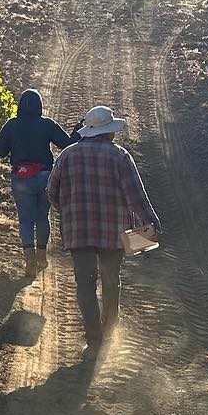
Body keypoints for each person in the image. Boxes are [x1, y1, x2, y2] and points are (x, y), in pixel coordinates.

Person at [47, 105, 160, 357]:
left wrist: (70, 211)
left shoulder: (67, 155)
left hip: (79, 232)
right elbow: (136, 197)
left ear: (88, 131)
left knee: (85, 286)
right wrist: (152, 224)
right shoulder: (120, 157)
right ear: (110, 132)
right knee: (111, 281)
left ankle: (93, 343)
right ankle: (109, 332)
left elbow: (51, 192)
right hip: (113, 233)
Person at [0, 89, 72, 279]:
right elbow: (67, 143)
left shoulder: (12, 125)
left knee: (25, 219)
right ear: (40, 106)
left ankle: (28, 256)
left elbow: (1, 151)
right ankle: (41, 255)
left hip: (21, 177)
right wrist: (79, 129)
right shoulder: (47, 124)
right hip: (45, 175)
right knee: (42, 216)